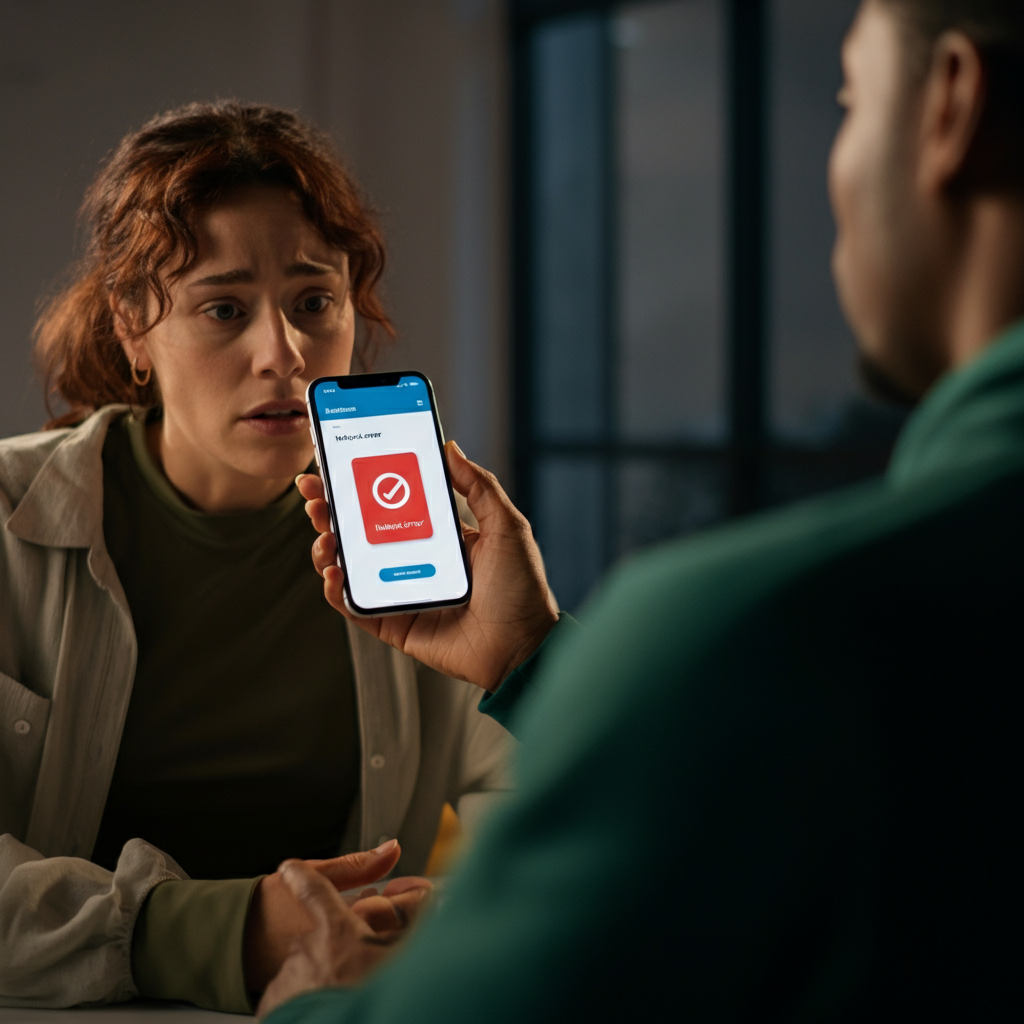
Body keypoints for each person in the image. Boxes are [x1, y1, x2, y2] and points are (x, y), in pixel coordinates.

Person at [255, 0, 1023, 1019]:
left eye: (848, 99)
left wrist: (312, 996)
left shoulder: (748, 636)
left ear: (950, 106)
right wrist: (534, 658)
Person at [0, 103, 512, 1013]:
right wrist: (227, 933)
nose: (285, 356)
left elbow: (605, 804)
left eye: (314, 303)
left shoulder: (419, 538)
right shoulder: (7, 520)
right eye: (224, 309)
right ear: (131, 325)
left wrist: (528, 651)